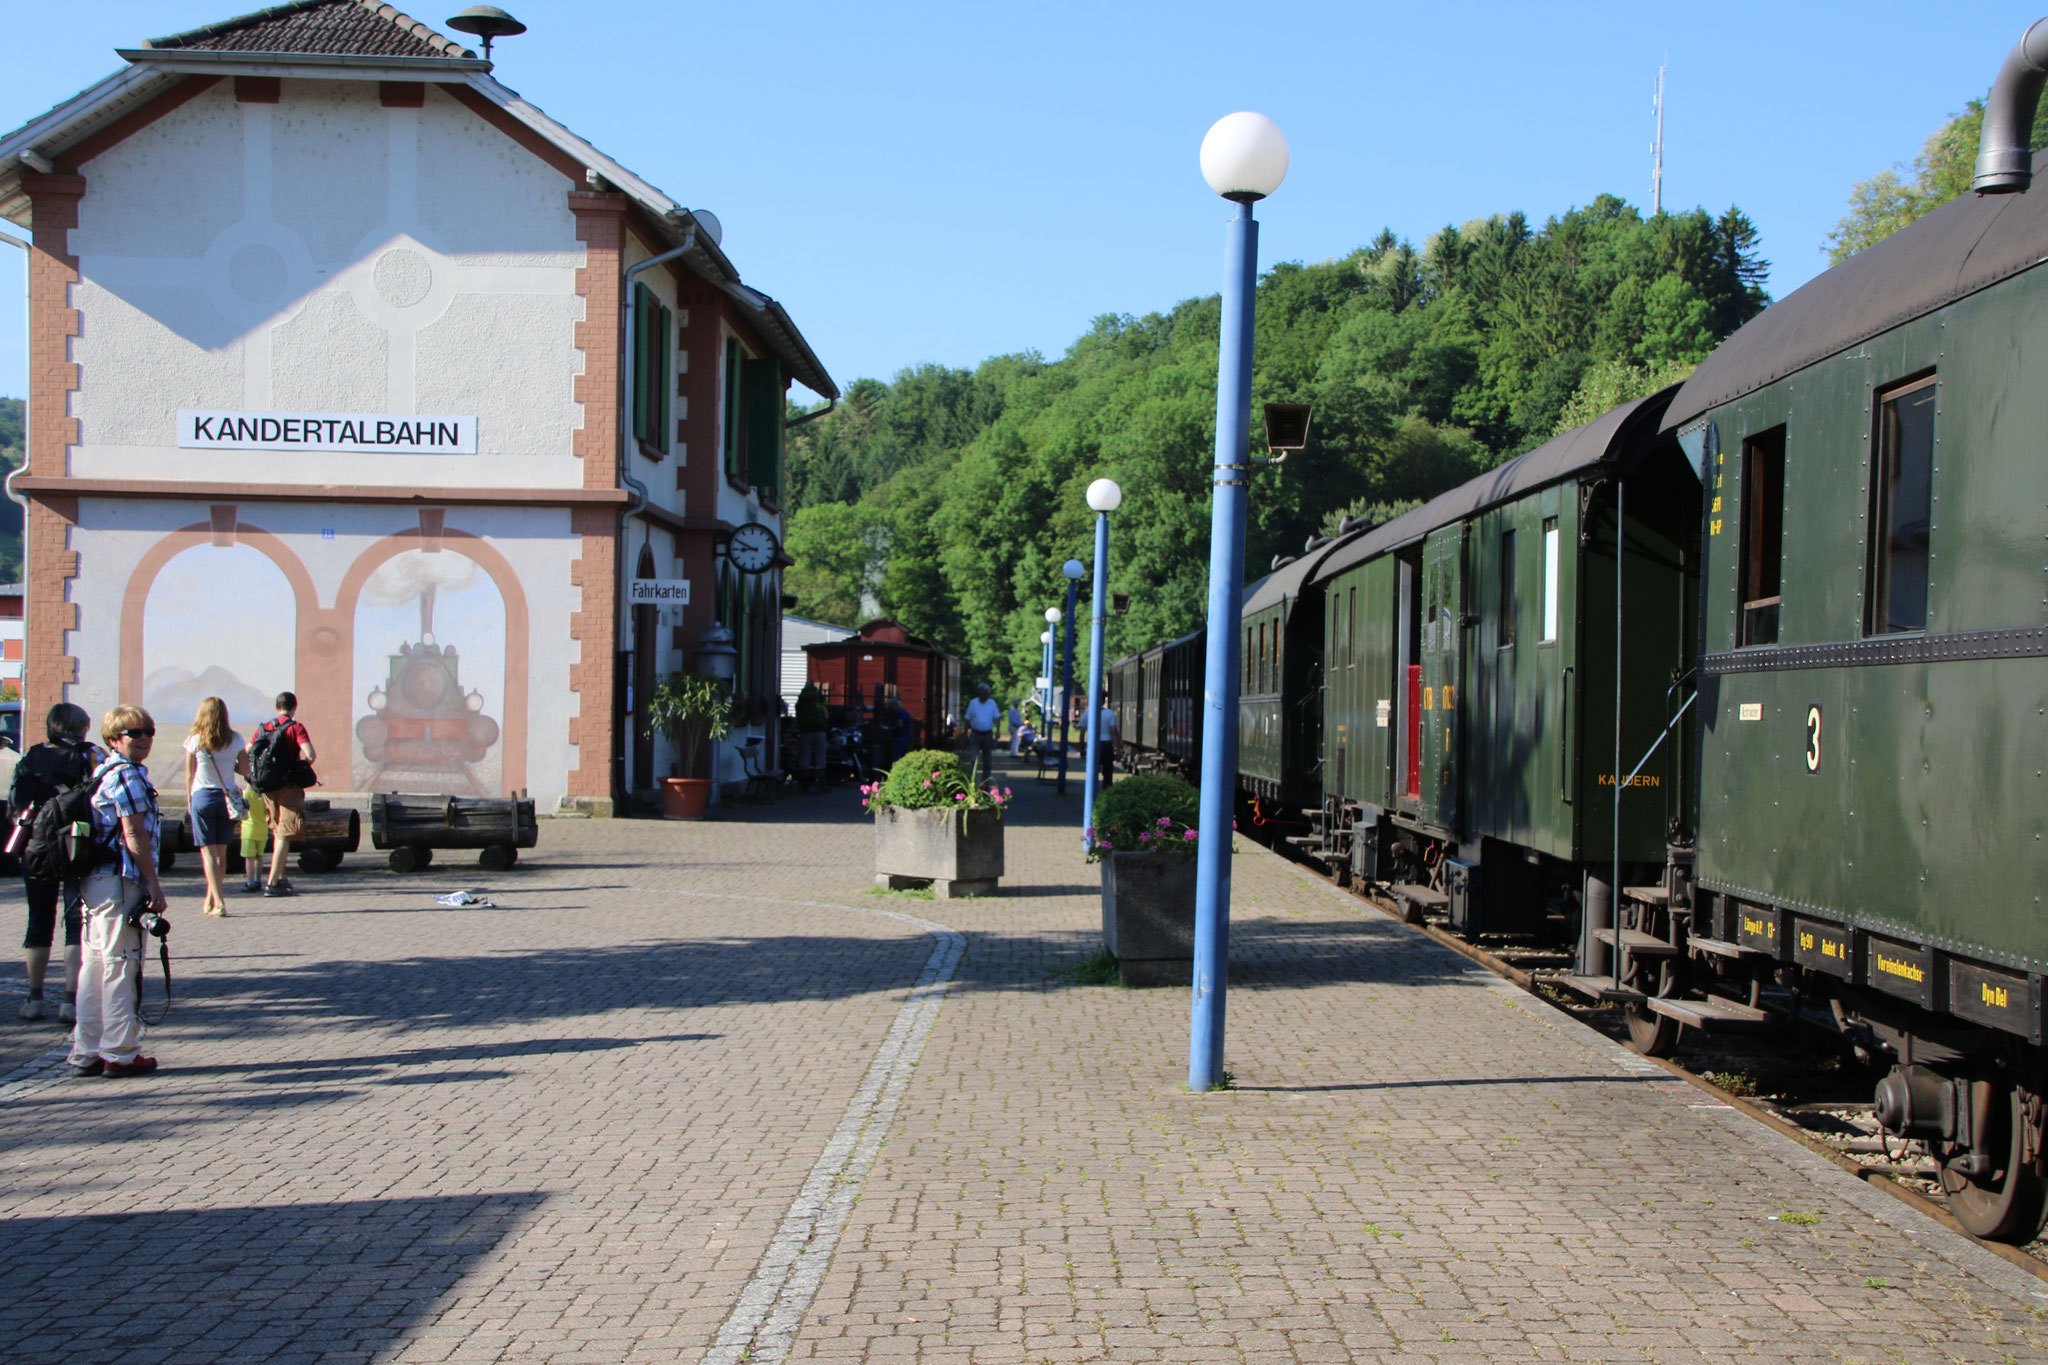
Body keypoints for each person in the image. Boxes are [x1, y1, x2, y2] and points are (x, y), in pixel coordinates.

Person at [69, 704, 168, 1078]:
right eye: (134, 733)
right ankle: (121, 1052)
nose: (144, 738)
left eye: (148, 731)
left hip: (96, 881)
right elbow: (134, 834)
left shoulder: (102, 772)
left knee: (96, 964)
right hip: (118, 879)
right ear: (113, 739)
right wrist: (152, 884)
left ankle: (88, 1049)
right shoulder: (126, 775)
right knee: (121, 964)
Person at [10, 702, 101, 1022]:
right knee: (75, 922)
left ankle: (34, 998)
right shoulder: (90, 755)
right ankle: (70, 1000)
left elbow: (13, 804)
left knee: (38, 921)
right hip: (76, 843)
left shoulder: (31, 756)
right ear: (81, 728)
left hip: (35, 847)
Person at [182, 697, 249, 917]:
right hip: (227, 797)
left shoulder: (195, 740)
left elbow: (190, 774)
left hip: (202, 796)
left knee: (207, 853)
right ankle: (212, 898)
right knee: (221, 854)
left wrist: (189, 800)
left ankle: (218, 901)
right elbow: (245, 770)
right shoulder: (236, 739)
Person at [251, 691, 316, 898]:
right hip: (288, 786)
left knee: (277, 832)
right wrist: (301, 768)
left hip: (267, 787)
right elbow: (311, 755)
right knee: (284, 834)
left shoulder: (264, 728)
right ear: (294, 707)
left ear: (277, 707)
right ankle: (272, 882)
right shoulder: (295, 727)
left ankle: (281, 877)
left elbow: (248, 751)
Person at [795, 682, 829, 791]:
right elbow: (825, 714)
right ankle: (820, 783)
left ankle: (804, 784)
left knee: (805, 757)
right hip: (819, 731)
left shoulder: (802, 700)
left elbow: (798, 714)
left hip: (805, 732)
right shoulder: (820, 699)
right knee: (820, 757)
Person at [963, 684, 1000, 780]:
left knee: (987, 762)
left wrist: (998, 731)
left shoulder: (992, 703)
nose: (986, 695)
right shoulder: (973, 703)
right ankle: (972, 780)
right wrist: (965, 733)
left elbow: (997, 717)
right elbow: (967, 719)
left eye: (987, 693)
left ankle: (985, 782)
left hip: (987, 735)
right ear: (979, 693)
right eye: (984, 693)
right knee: (973, 760)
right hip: (975, 734)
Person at [238, 780, 269, 895]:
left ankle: (250, 882)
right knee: (259, 856)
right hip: (262, 828)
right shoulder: (264, 795)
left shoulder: (246, 794)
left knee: (249, 858)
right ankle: (257, 880)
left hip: (248, 828)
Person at [1095, 694, 1118, 787]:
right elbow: (1114, 732)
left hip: (1094, 745)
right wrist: (1118, 748)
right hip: (1106, 745)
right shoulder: (1109, 713)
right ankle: (1106, 787)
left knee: (1093, 769)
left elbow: (1082, 732)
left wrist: (1082, 748)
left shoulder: (1088, 713)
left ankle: (1093, 788)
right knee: (1108, 771)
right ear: (1104, 701)